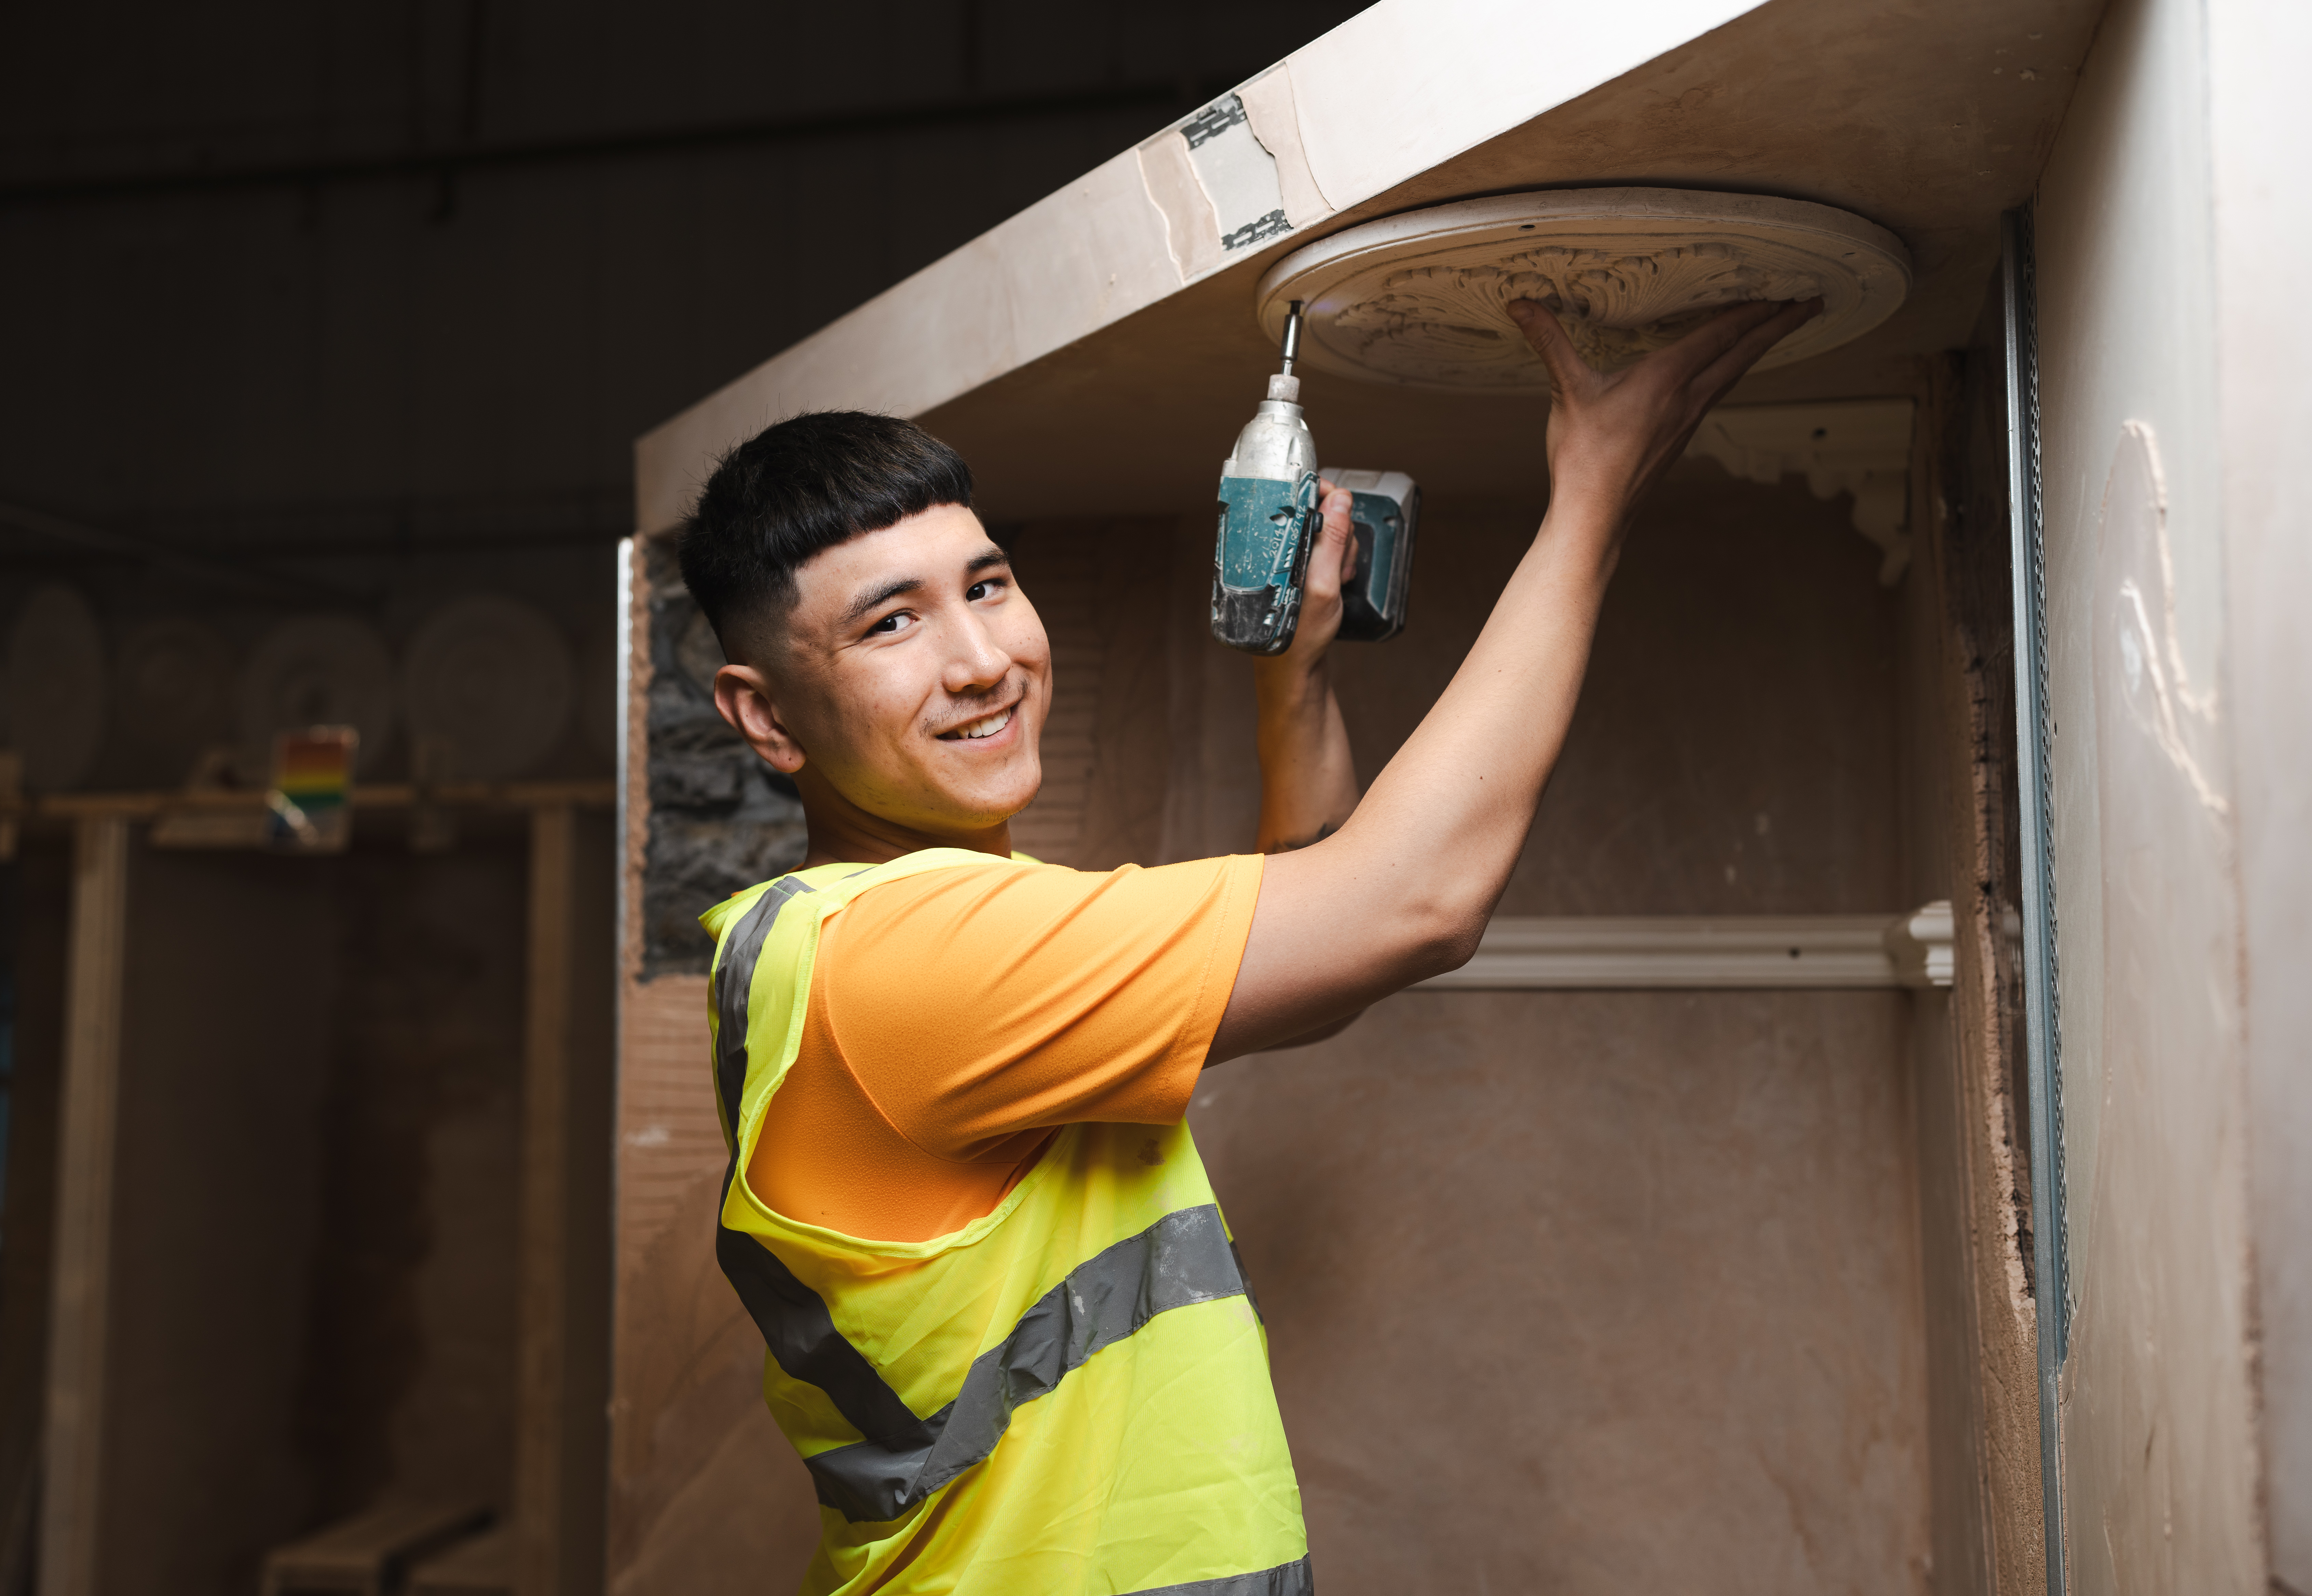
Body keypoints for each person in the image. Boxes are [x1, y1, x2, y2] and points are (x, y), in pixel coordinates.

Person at [680, 293, 1819, 1596]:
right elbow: (1413, 902)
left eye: (988, 586)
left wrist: (1297, 679)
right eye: (894, 623)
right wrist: (1595, 498)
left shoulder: (883, 948)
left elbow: (1314, 943)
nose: (984, 659)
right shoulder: (901, 963)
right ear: (765, 719)